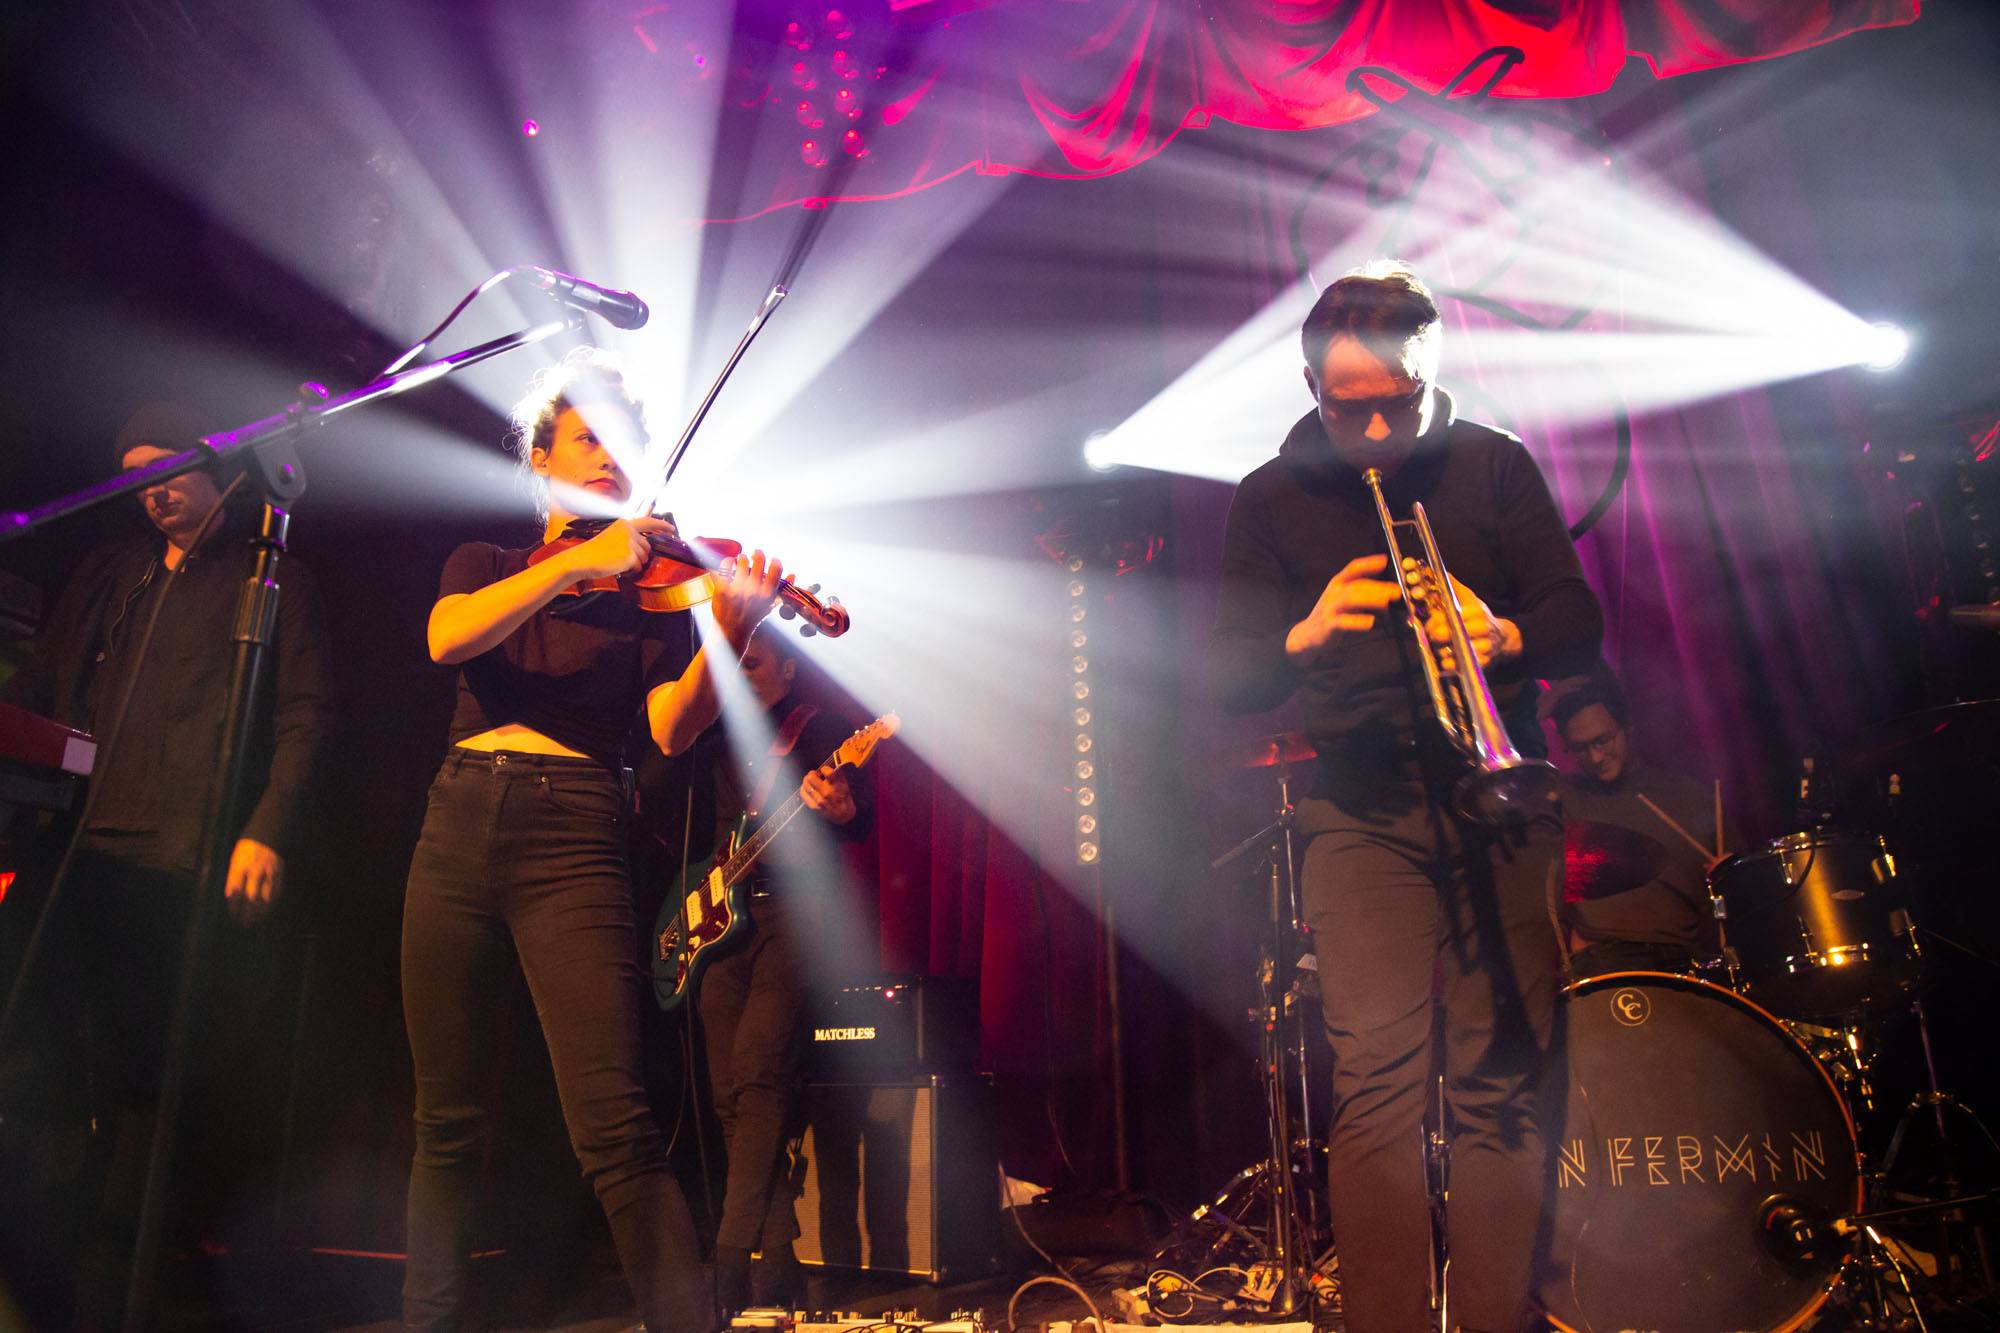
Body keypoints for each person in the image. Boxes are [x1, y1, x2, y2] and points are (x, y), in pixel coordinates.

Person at [1208, 263, 1602, 1333]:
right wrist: (1304, 632)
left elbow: (1575, 618)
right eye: (1351, 408)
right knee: (1376, 1083)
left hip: (1498, 793)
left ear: (1434, 373)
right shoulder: (1268, 498)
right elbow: (1229, 676)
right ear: (1307, 383)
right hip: (1357, 808)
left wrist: (1502, 633)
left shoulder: (1491, 466)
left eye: (1402, 401)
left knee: (1499, 1082)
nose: (1379, 429)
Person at [399, 348, 781, 1332]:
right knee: (444, 1122)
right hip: (456, 820)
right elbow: (449, 638)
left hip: (572, 834)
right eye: (585, 440)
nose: (609, 457)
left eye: (623, 444)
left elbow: (667, 728)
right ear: (540, 459)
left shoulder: (648, 595)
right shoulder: (486, 563)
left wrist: (732, 637)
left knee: (614, 1126)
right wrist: (577, 559)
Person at [1, 402, 331, 1325]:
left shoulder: (271, 580)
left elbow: (308, 717)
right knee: (38, 1064)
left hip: (176, 868)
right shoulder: (114, 576)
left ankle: (117, 1298)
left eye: (172, 473)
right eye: (139, 478)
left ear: (220, 469)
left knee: (145, 1089)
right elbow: (40, 689)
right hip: (73, 858)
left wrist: (265, 826)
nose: (156, 494)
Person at [638, 625, 874, 1316]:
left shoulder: (822, 726)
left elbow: (858, 816)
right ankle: (778, 1265)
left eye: (756, 662)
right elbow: (659, 785)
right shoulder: (713, 737)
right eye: (734, 662)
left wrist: (844, 805)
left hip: (792, 918)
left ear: (789, 673)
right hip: (719, 925)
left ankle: (728, 1265)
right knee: (725, 1093)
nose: (744, 671)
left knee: (761, 1071)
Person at [1550, 674, 1733, 978]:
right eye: (1580, 748)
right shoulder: (1562, 799)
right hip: (1604, 961)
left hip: (1685, 962)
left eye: (1602, 740)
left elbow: (1747, 887)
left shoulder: (1687, 795)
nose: (1595, 757)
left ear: (1628, 729)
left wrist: (1733, 872)